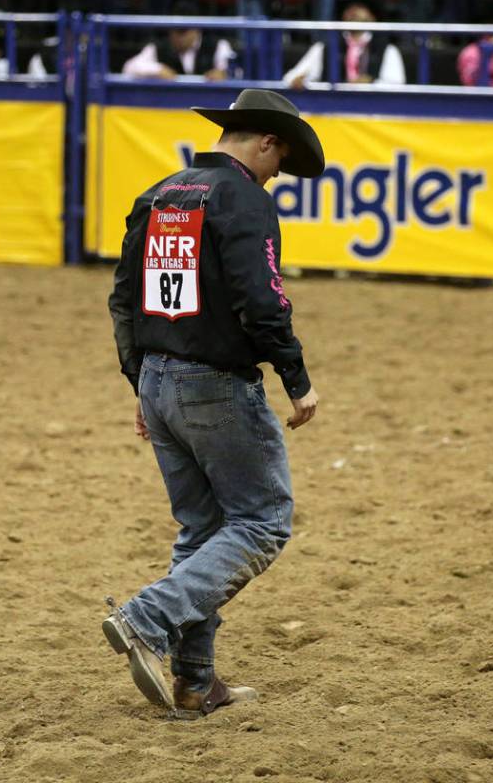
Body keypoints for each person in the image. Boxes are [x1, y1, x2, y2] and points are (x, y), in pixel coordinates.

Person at [105, 88, 324, 717]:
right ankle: (148, 617)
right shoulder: (244, 200)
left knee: (201, 528)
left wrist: (141, 382)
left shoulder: (160, 193)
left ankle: (196, 682)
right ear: (267, 142)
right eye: (280, 161)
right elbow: (263, 300)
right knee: (261, 521)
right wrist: (296, 376)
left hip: (159, 379)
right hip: (215, 384)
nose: (278, 173)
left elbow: (125, 299)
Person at [283, 0, 406, 88]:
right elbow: (290, 78)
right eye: (348, 8)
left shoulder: (387, 49)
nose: (353, 11)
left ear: (372, 16)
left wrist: (371, 84)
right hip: (333, 111)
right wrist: (299, 81)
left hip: (374, 113)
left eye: (360, 7)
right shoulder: (325, 47)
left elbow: (397, 84)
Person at [122, 1, 237, 80]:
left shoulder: (218, 45)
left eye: (183, 31)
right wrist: (158, 69)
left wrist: (223, 73)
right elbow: (129, 68)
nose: (179, 37)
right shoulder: (158, 47)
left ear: (196, 29)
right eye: (175, 31)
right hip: (170, 109)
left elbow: (236, 70)